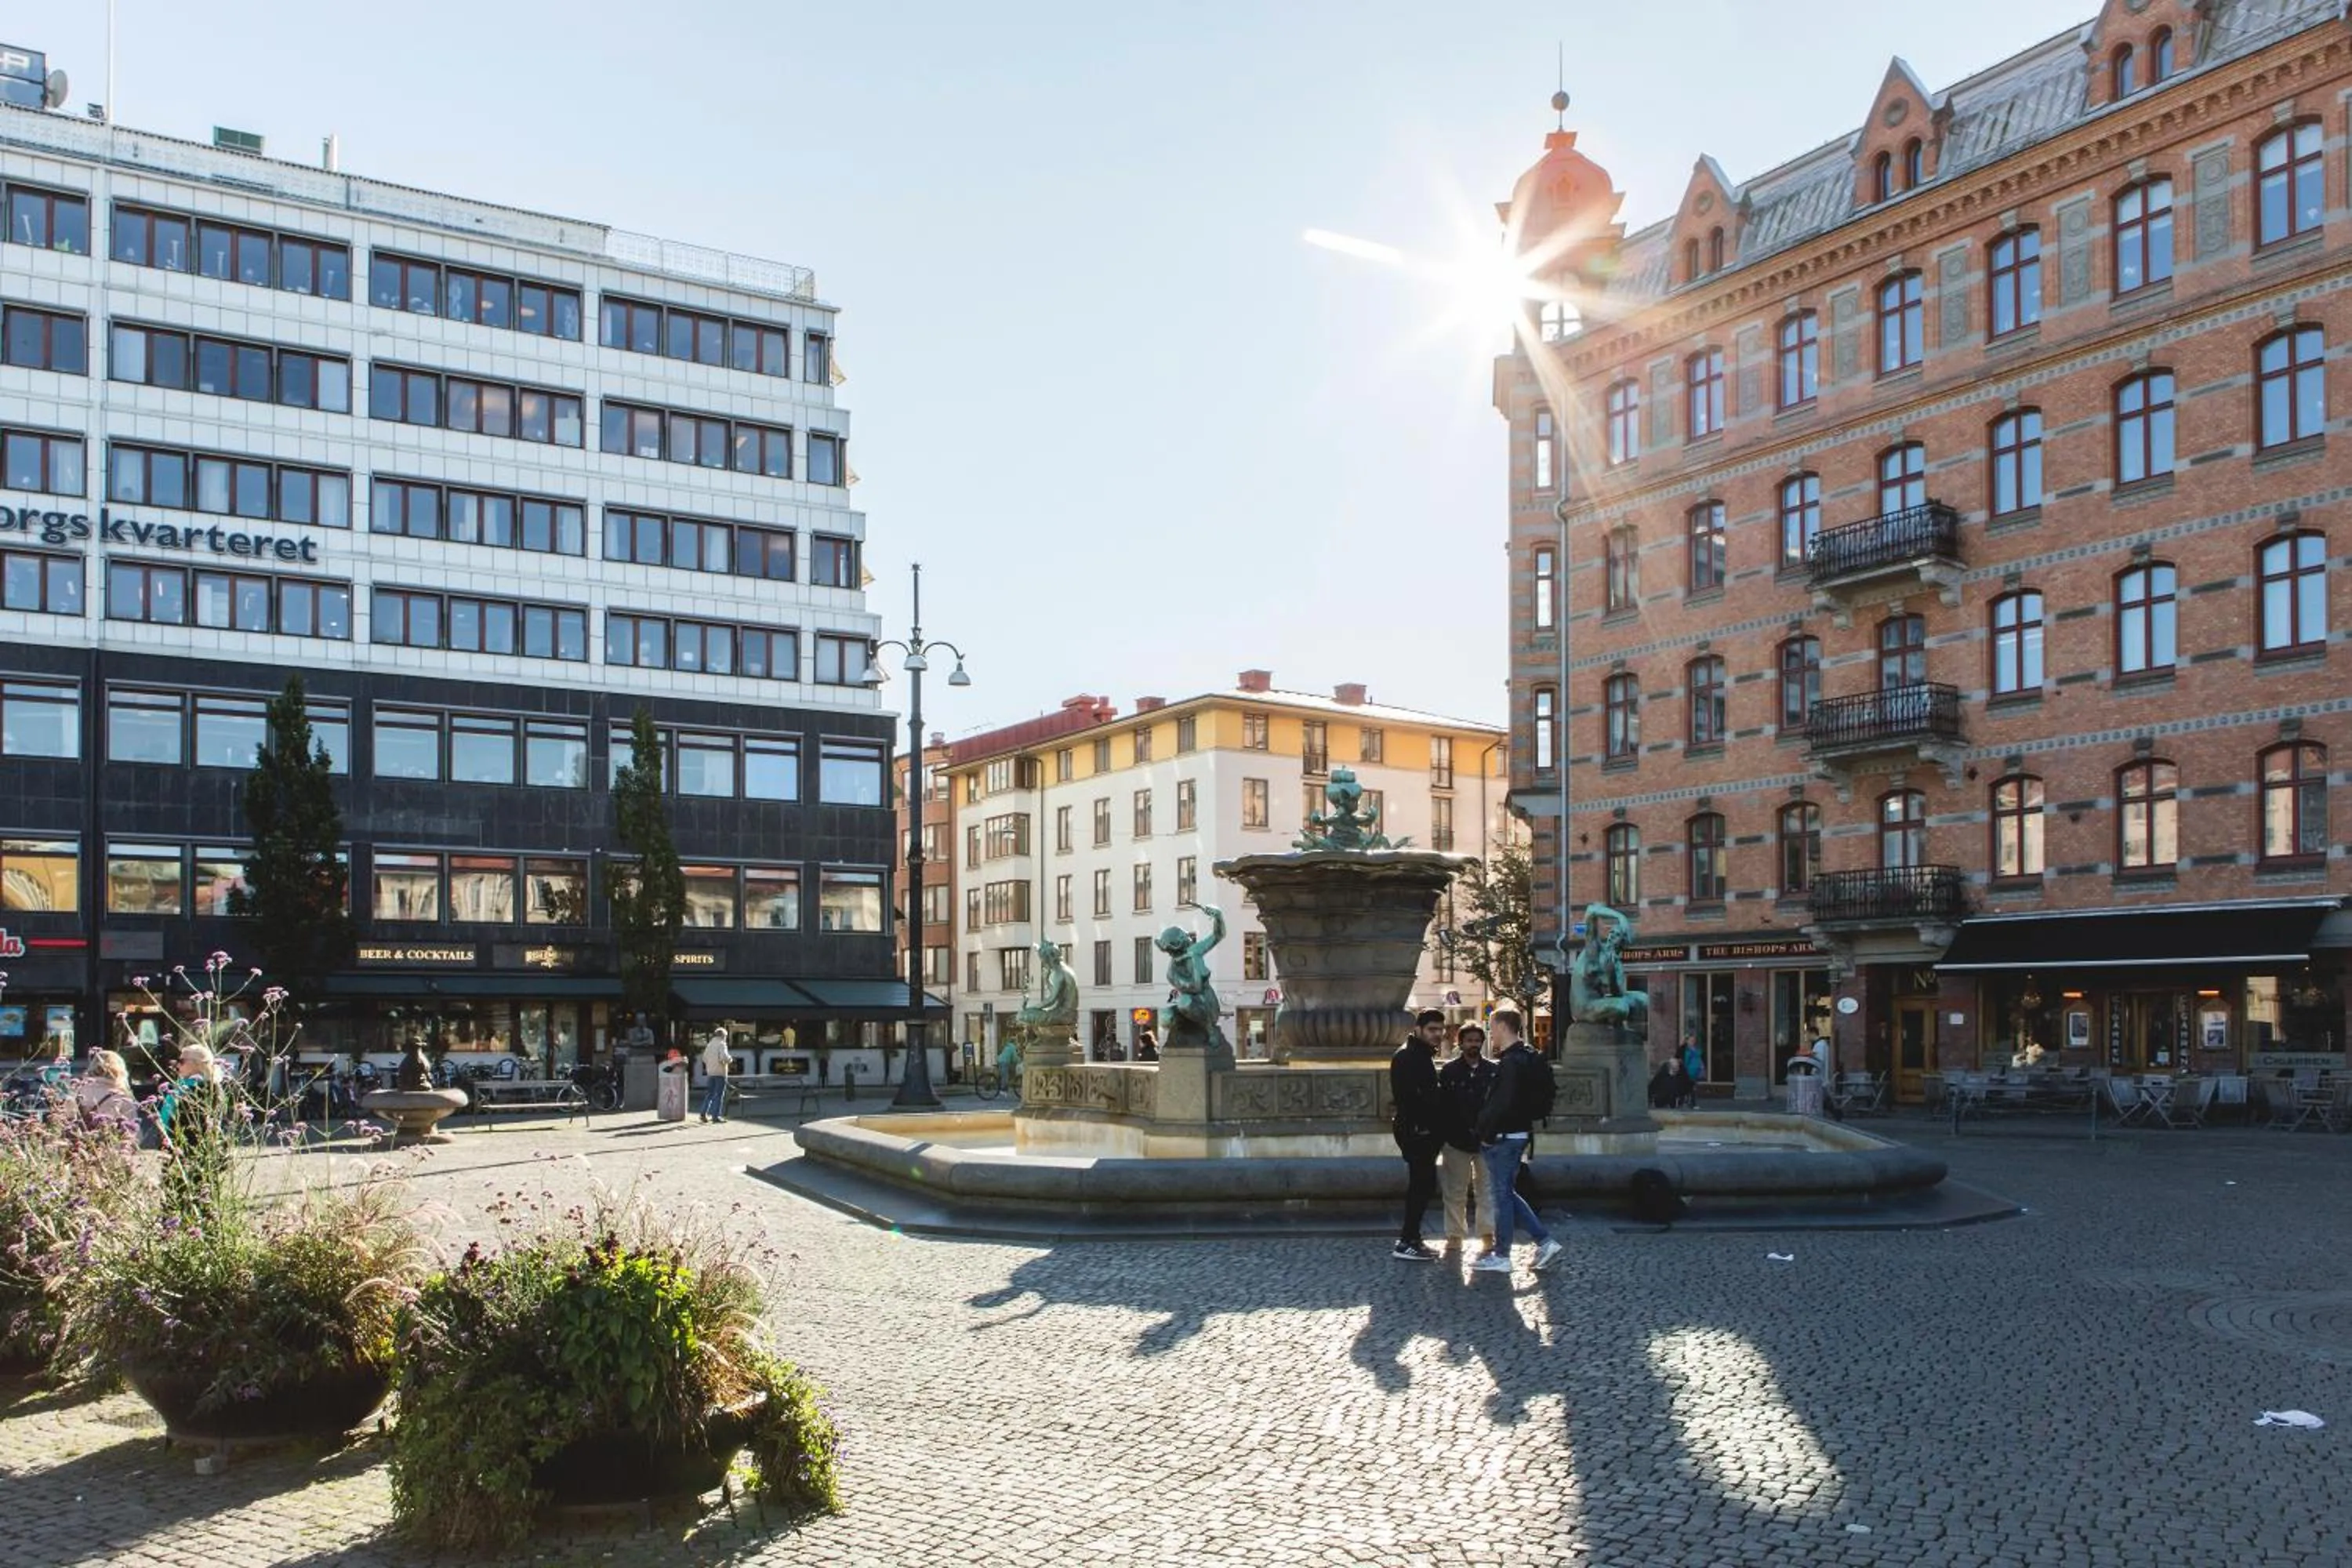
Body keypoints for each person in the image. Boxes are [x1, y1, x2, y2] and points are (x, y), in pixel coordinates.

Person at [1471, 1009, 1564, 1275]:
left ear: (1501, 1026)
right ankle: (1545, 1242)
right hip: (1519, 1134)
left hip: (1504, 1137)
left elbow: (1502, 1103)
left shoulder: (1511, 1062)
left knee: (1501, 1197)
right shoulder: (1528, 1057)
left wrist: (1485, 1133)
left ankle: (1502, 1255)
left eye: (1492, 1027)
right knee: (1507, 1194)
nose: (1491, 1033)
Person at [1388, 1010, 1448, 1262]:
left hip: (1421, 1130)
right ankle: (1407, 1241)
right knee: (1421, 1186)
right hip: (1417, 1131)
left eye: (1440, 1030)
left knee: (1423, 1185)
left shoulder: (1419, 1055)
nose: (1438, 1034)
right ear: (1418, 1029)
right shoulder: (1408, 1057)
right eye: (1432, 1029)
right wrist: (1425, 1125)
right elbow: (1410, 1098)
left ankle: (1411, 1238)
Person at [1438, 1024, 1497, 1257]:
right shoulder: (1450, 1071)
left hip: (1486, 1140)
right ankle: (1455, 1235)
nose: (1473, 1044)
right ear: (1460, 1043)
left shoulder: (1493, 1070)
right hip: (1457, 1140)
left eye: (1477, 1040)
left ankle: (1487, 1234)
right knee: (1455, 1190)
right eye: (1469, 1040)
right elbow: (1443, 1105)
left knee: (1486, 1190)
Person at [72, 1048, 140, 1136]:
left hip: (84, 1145)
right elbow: (133, 1131)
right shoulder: (122, 1096)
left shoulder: (79, 1091)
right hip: (113, 1147)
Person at [698, 1028, 733, 1123]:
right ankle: (715, 1116)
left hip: (711, 1072)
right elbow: (724, 1057)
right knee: (719, 1095)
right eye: (725, 1036)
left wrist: (710, 1065)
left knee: (710, 1094)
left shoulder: (710, 1045)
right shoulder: (722, 1044)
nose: (726, 1038)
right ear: (723, 1036)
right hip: (720, 1072)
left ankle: (703, 1113)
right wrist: (730, 1060)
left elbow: (704, 1058)